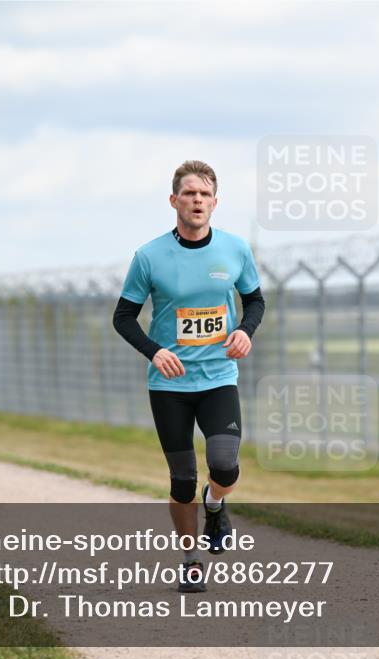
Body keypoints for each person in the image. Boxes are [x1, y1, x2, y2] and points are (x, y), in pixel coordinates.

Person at [112, 160, 265, 593]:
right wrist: (155, 351)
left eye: (204, 194)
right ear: (174, 200)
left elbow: (255, 302)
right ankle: (191, 558)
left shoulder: (235, 249)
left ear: (215, 203)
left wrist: (244, 331)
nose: (197, 200)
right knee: (182, 479)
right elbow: (123, 318)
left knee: (224, 466)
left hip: (218, 377)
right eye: (189, 193)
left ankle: (215, 504)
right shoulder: (150, 256)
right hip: (170, 386)